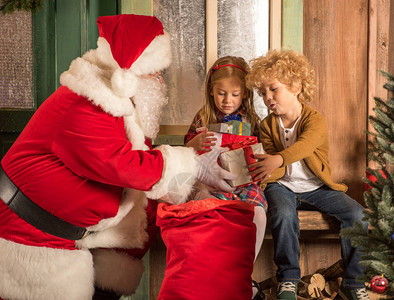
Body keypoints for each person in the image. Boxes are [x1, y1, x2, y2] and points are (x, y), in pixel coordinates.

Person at [0, 14, 236, 300]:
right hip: (28, 243)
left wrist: (192, 184)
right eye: (154, 73)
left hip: (73, 242)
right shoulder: (85, 104)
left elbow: (145, 174)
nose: (160, 82)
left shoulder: (117, 109)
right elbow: (121, 164)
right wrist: (194, 166)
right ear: (130, 74)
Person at [246, 49, 369, 300]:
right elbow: (272, 165)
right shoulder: (267, 125)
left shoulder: (315, 120)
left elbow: (304, 146)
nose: (267, 97)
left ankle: (354, 282)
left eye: (273, 89)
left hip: (317, 187)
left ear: (296, 86)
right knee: (282, 213)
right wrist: (269, 167)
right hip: (281, 185)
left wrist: (278, 158)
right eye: (263, 93)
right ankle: (288, 279)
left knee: (357, 214)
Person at [184, 56, 267, 300]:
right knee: (212, 213)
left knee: (258, 214)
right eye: (221, 93)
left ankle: (243, 273)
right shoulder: (202, 118)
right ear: (211, 91)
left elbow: (263, 157)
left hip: (245, 183)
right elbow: (186, 153)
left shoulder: (253, 121)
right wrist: (193, 143)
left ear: (245, 95)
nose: (227, 100)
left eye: (235, 94)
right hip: (213, 183)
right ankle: (218, 273)